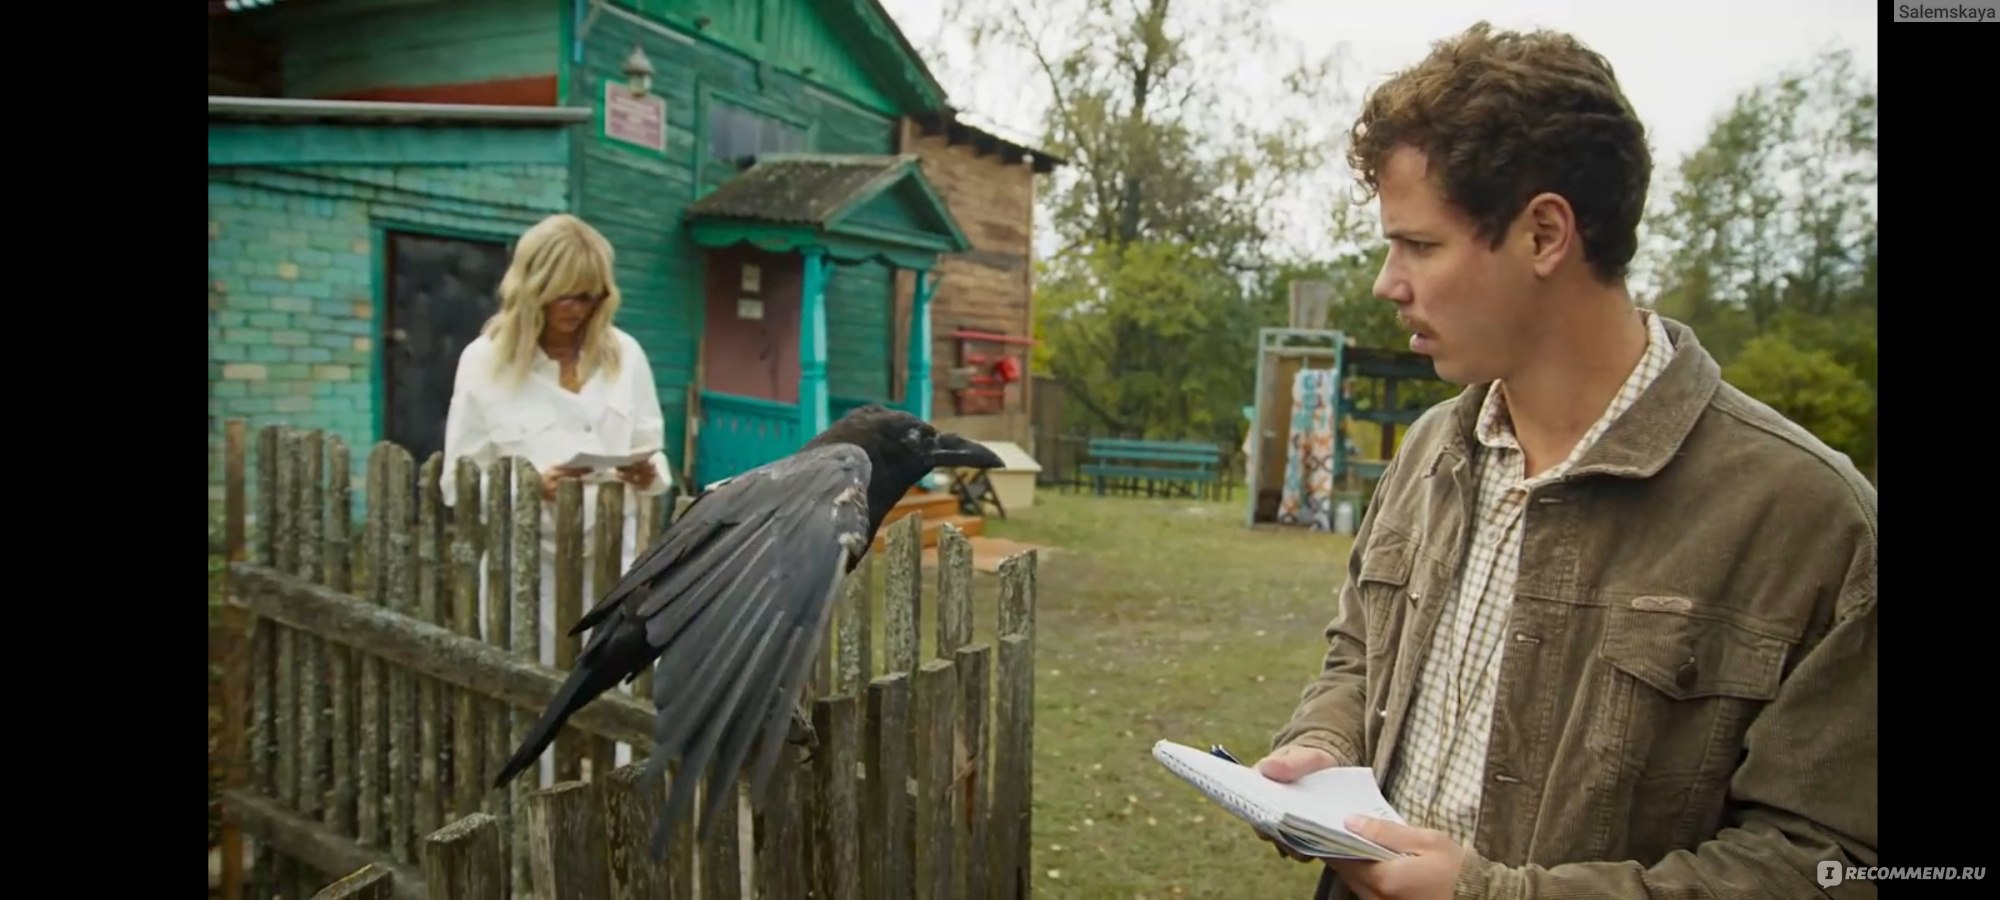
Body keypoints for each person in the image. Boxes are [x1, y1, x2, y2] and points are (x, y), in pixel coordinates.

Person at [1253, 21, 1876, 900]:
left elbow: (1831, 863)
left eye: (1420, 244)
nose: (1386, 283)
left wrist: (1499, 896)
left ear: (1546, 234)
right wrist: (1326, 747)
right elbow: (1359, 653)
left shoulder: (1811, 518)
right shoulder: (1433, 449)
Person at [439, 212, 676, 786]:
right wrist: (529, 485)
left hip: (616, 566)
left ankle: (623, 803)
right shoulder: (485, 363)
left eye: (594, 297)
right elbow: (458, 479)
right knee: (536, 696)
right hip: (532, 571)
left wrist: (647, 473)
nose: (582, 309)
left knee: (622, 695)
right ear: (534, 289)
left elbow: (657, 453)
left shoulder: (624, 356)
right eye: (569, 295)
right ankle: (536, 810)